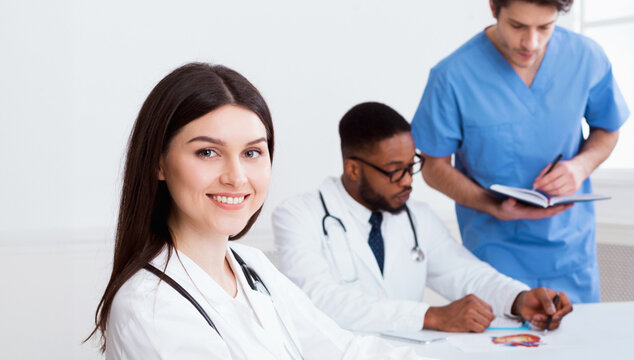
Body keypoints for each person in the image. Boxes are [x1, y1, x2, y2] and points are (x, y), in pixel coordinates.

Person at [86, 63, 428, 359]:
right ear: (158, 163)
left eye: (251, 153)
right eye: (207, 152)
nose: (236, 177)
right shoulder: (149, 307)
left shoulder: (253, 266)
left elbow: (344, 351)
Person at [272, 102, 572, 334]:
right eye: (394, 171)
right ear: (353, 169)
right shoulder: (298, 215)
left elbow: (467, 273)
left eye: (410, 166)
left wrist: (519, 298)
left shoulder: (417, 216)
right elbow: (316, 299)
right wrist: (430, 316)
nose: (408, 181)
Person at [410, 0, 629, 303]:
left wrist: (581, 166)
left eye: (545, 27)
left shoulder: (586, 58)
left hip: (570, 254)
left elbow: (608, 129)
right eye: (517, 26)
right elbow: (433, 166)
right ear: (493, 7)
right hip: (494, 259)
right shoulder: (452, 76)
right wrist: (491, 204)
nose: (531, 43)